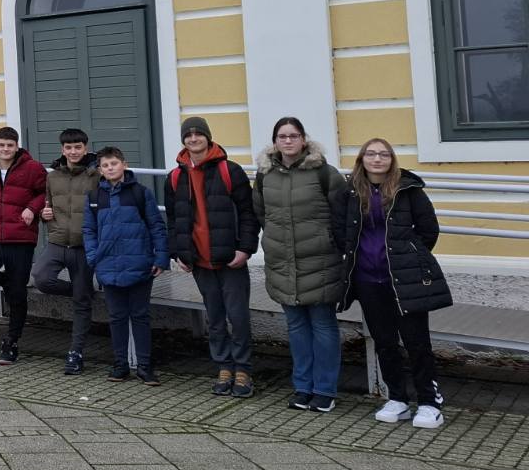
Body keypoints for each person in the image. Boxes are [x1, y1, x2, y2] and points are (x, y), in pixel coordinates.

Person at [335, 138, 452, 429]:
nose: (377, 159)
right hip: (367, 279)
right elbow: (339, 231)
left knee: (417, 342)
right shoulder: (349, 192)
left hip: (404, 280)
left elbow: (428, 230)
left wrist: (408, 257)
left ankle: (429, 402)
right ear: (362, 159)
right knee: (384, 342)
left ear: (391, 159)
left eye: (384, 154)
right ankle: (397, 398)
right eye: (371, 154)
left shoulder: (409, 190)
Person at [254, 116, 348, 412]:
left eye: (293, 135)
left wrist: (332, 245)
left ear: (303, 139)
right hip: (283, 262)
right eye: (282, 136)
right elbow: (261, 214)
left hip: (320, 262)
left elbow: (341, 215)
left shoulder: (325, 173)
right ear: (275, 141)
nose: (288, 141)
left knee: (323, 325)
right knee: (296, 327)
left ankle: (325, 390)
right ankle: (302, 387)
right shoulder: (265, 174)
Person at [163, 116, 259, 398]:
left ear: (208, 137)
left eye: (198, 134)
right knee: (215, 317)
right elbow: (174, 220)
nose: (193, 139)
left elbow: (248, 213)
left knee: (238, 317)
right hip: (199, 260)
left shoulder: (231, 171)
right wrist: (178, 252)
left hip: (230, 258)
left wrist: (246, 248)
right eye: (188, 135)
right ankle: (224, 367)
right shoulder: (175, 177)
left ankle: (243, 369)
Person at [83, 146, 168, 385]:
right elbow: (89, 230)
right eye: (105, 165)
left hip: (140, 264)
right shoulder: (94, 198)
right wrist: (94, 257)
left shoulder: (141, 193)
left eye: (114, 163)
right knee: (116, 317)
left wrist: (161, 257)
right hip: (108, 265)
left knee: (140, 316)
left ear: (124, 165)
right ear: (100, 170)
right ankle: (120, 365)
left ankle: (145, 366)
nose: (110, 168)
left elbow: (156, 226)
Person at [0, 126, 48, 364]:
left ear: (17, 146)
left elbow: (45, 193)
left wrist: (32, 208)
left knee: (17, 294)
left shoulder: (33, 168)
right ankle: (7, 280)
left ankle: (11, 341)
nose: (5, 149)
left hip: (21, 238)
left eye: (10, 145)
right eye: (1, 145)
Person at [35, 128, 100, 375]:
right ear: (62, 150)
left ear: (85, 148)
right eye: (69, 147)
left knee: (81, 304)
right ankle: (82, 291)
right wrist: (44, 215)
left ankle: (76, 352)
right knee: (42, 278)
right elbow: (47, 206)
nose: (73, 152)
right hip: (58, 242)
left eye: (78, 147)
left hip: (84, 246)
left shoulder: (96, 175)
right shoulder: (52, 177)